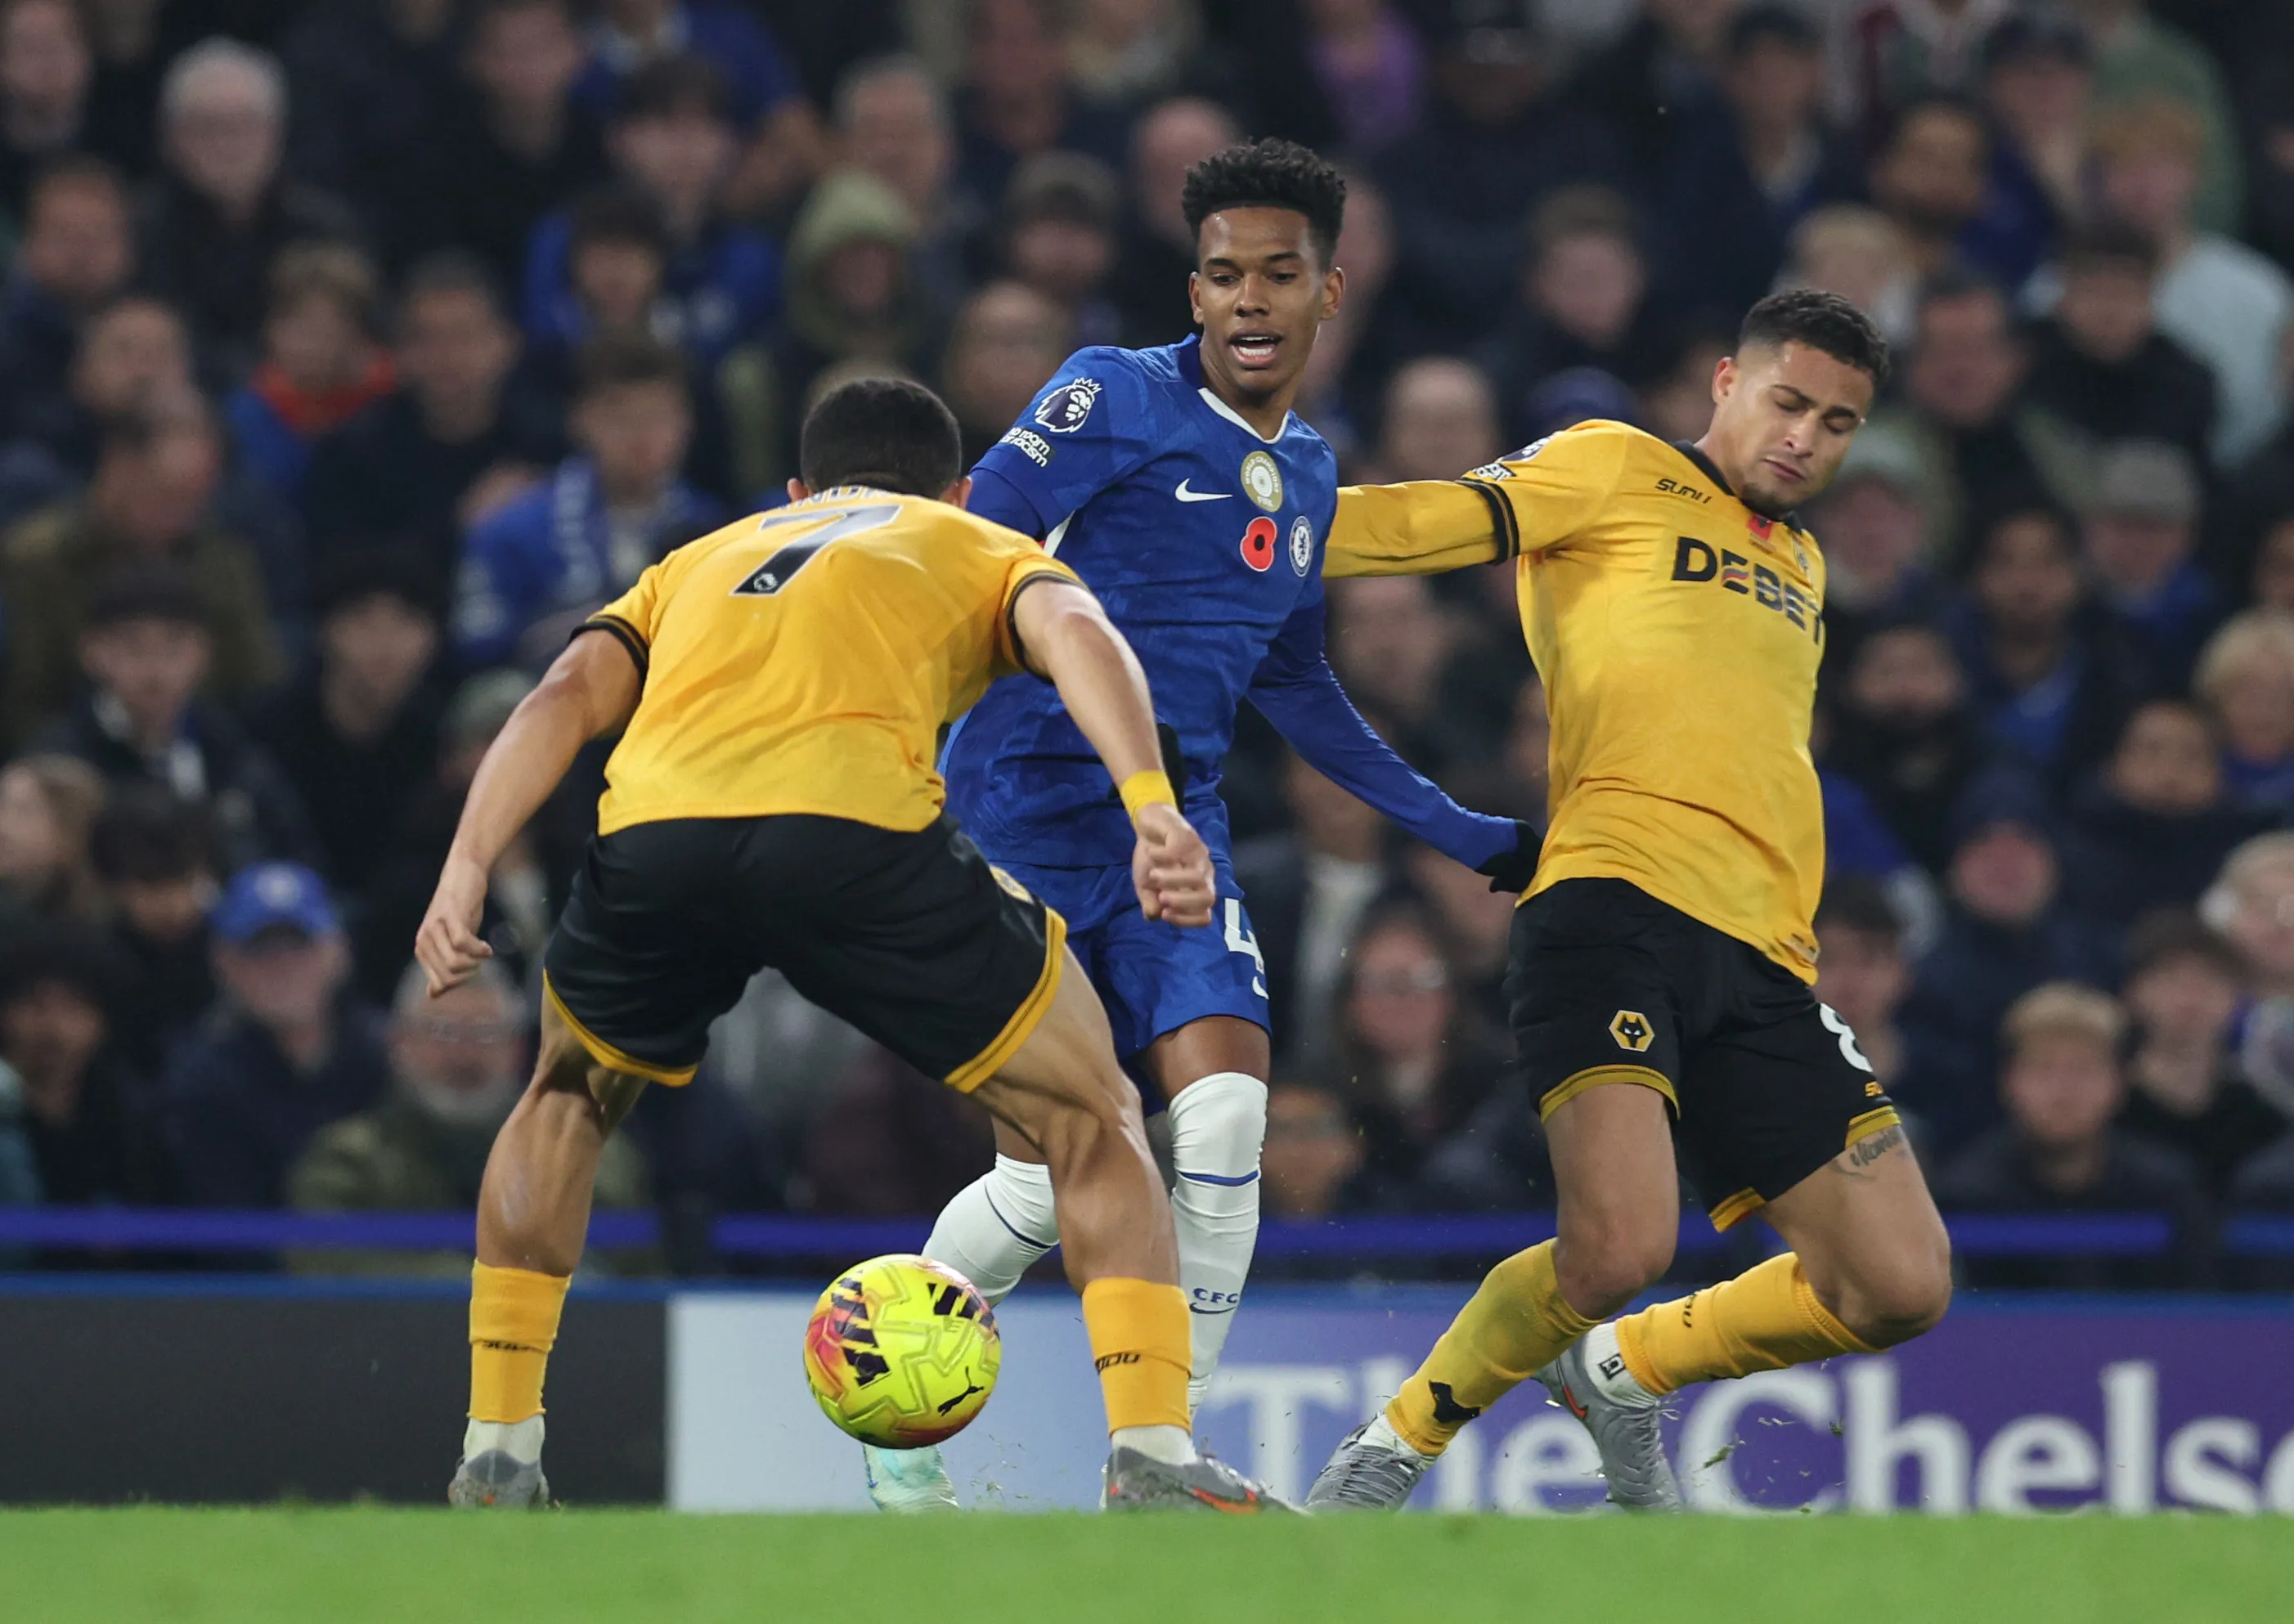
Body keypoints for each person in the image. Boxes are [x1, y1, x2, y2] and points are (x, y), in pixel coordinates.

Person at [413, 374, 1285, 1513]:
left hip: (657, 840)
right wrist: (1151, 806)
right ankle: (1153, 1451)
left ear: (797, 492)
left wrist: (467, 862)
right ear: (959, 491)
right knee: (1092, 1111)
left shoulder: (696, 559)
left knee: (566, 1096)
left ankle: (499, 1449)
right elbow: (1079, 633)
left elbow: (566, 690)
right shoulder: (971, 540)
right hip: (852, 834)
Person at [891, 139, 1531, 1513]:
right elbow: (972, 543)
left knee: (1231, 1107)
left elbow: (1296, 685)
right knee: (1049, 1180)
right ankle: (897, 1429)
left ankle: (1157, 1458)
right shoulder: (1111, 393)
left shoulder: (1309, 473)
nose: (1250, 298)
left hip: (1171, 832)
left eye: (1279, 274)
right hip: (1019, 808)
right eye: (1225, 274)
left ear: (1329, 292)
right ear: (1194, 291)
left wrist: (1461, 829)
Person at [1304, 289, 1954, 1514]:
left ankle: (1621, 1369)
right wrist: (1248, 516)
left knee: (1901, 1283)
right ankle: (1391, 1448)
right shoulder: (1612, 466)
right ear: (1726, 381)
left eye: (1838, 423)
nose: (1806, 437)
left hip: (1765, 960)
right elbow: (1427, 521)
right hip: (1612, 907)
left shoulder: (1805, 564)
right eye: (1788, 401)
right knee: (1616, 1247)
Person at [288, 959, 645, 1276]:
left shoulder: (585, 1157)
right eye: (442, 1031)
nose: (463, 1054)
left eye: (486, 1033)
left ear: (518, 1049)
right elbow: (326, 1267)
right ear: (400, 1043)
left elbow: (637, 1272)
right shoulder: (347, 1161)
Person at [454, 332, 724, 671]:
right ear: (580, 421)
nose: (642, 437)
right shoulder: (512, 530)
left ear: (687, 423)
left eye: (658, 417)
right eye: (621, 419)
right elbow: (477, 646)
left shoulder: (713, 530)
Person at [1931, 980, 2212, 1292]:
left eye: (2084, 1070)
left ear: (2120, 1082)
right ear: (2009, 1080)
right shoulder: (1964, 1194)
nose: (2063, 1091)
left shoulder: (2167, 1193)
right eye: (2043, 1069)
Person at [161, 860, 393, 1209]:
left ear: (338, 952)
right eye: (260, 949)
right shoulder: (199, 1081)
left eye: (299, 945)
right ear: (223, 963)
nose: (282, 967)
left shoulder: (391, 1057)